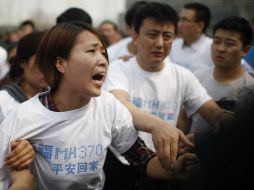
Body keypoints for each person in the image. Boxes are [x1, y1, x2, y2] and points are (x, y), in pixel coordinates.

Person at [0, 22, 200, 190]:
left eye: (104, 53)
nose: (103, 61)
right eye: (91, 51)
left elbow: (142, 159)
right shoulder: (23, 118)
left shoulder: (108, 106)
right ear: (60, 64)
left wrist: (174, 167)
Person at [103, 2, 224, 189]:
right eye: (152, 34)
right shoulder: (119, 69)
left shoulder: (182, 75)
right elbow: (120, 104)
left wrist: (228, 121)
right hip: (122, 163)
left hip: (165, 165)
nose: (160, 43)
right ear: (135, 35)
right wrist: (157, 125)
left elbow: (212, 112)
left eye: (167, 36)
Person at [190, 16, 254, 134]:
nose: (220, 49)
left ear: (245, 50)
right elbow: (183, 119)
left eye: (229, 44)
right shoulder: (195, 79)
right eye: (216, 41)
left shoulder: (250, 88)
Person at [0, 32, 47, 190]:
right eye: (40, 60)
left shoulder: (57, 99)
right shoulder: (4, 101)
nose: (47, 68)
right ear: (22, 63)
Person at [170, 2, 213, 76]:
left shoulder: (213, 49)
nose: (179, 25)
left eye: (185, 20)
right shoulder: (174, 45)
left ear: (200, 26)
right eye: (179, 20)